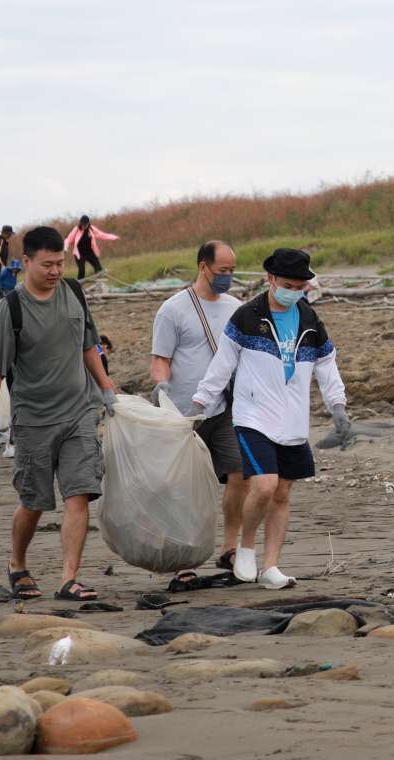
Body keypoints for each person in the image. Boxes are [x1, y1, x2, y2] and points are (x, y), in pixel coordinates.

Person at [190, 248, 350, 591]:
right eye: (288, 284)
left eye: (301, 286)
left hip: (293, 420)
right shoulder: (247, 317)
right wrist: (201, 401)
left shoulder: (309, 318)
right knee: (263, 485)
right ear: (271, 279)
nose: (294, 291)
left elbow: (326, 363)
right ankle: (245, 547)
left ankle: (271, 566)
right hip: (253, 416)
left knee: (282, 492)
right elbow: (223, 363)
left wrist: (338, 405)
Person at [0, 226, 117, 602]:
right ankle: (18, 563)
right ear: (26, 263)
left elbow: (88, 345)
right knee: (34, 501)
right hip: (34, 419)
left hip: (78, 414)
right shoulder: (13, 307)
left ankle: (68, 579)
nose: (56, 271)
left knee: (79, 493)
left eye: (60, 263)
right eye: (47, 264)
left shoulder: (74, 293)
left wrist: (106, 389)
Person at [149, 240, 246, 577]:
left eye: (232, 271)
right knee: (183, 487)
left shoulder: (236, 308)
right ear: (203, 266)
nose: (228, 277)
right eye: (223, 271)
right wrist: (162, 384)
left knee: (239, 473)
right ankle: (182, 559)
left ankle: (230, 548)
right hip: (184, 413)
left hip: (225, 409)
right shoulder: (173, 310)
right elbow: (161, 359)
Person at [62, 216, 118, 280]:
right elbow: (68, 239)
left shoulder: (91, 229)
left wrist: (114, 237)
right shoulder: (76, 229)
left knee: (99, 269)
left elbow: (102, 235)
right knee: (82, 270)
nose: (84, 226)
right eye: (82, 225)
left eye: (85, 225)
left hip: (90, 253)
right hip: (79, 254)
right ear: (80, 223)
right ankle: (78, 286)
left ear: (88, 223)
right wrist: (65, 248)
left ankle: (98, 283)